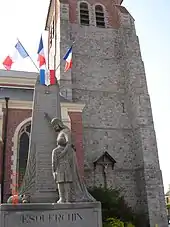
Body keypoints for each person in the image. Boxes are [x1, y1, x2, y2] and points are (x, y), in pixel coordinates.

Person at [44, 113, 95, 203]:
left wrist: (63, 153)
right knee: (60, 179)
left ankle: (69, 197)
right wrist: (48, 117)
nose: (54, 128)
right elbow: (53, 121)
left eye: (55, 125)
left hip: (68, 155)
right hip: (61, 155)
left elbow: (69, 142)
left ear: (59, 124)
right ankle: (63, 198)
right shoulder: (60, 132)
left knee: (68, 177)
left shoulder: (66, 131)